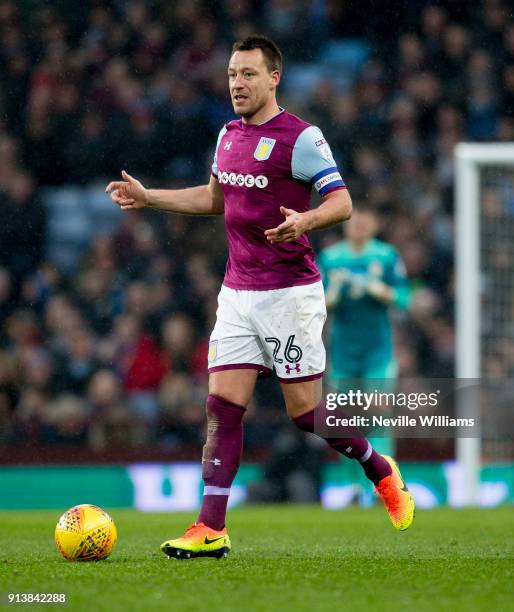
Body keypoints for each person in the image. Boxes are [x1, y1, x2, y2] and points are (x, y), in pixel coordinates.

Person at [106, 35, 414, 560]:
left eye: (248, 74)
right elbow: (212, 198)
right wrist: (149, 196)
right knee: (222, 408)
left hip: (290, 295)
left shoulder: (302, 138)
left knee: (305, 414)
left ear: (274, 78)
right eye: (231, 74)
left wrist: (306, 221)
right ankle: (211, 527)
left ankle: (377, 467)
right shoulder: (227, 135)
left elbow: (342, 202)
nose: (236, 84)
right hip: (238, 292)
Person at [319, 207, 411, 476]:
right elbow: (316, 304)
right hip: (344, 352)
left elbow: (405, 299)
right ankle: (353, 486)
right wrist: (332, 295)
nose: (357, 224)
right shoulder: (331, 258)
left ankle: (385, 481)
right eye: (352, 220)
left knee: (379, 412)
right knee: (345, 421)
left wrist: (381, 291)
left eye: (363, 219)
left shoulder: (386, 255)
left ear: (374, 223)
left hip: (377, 352)